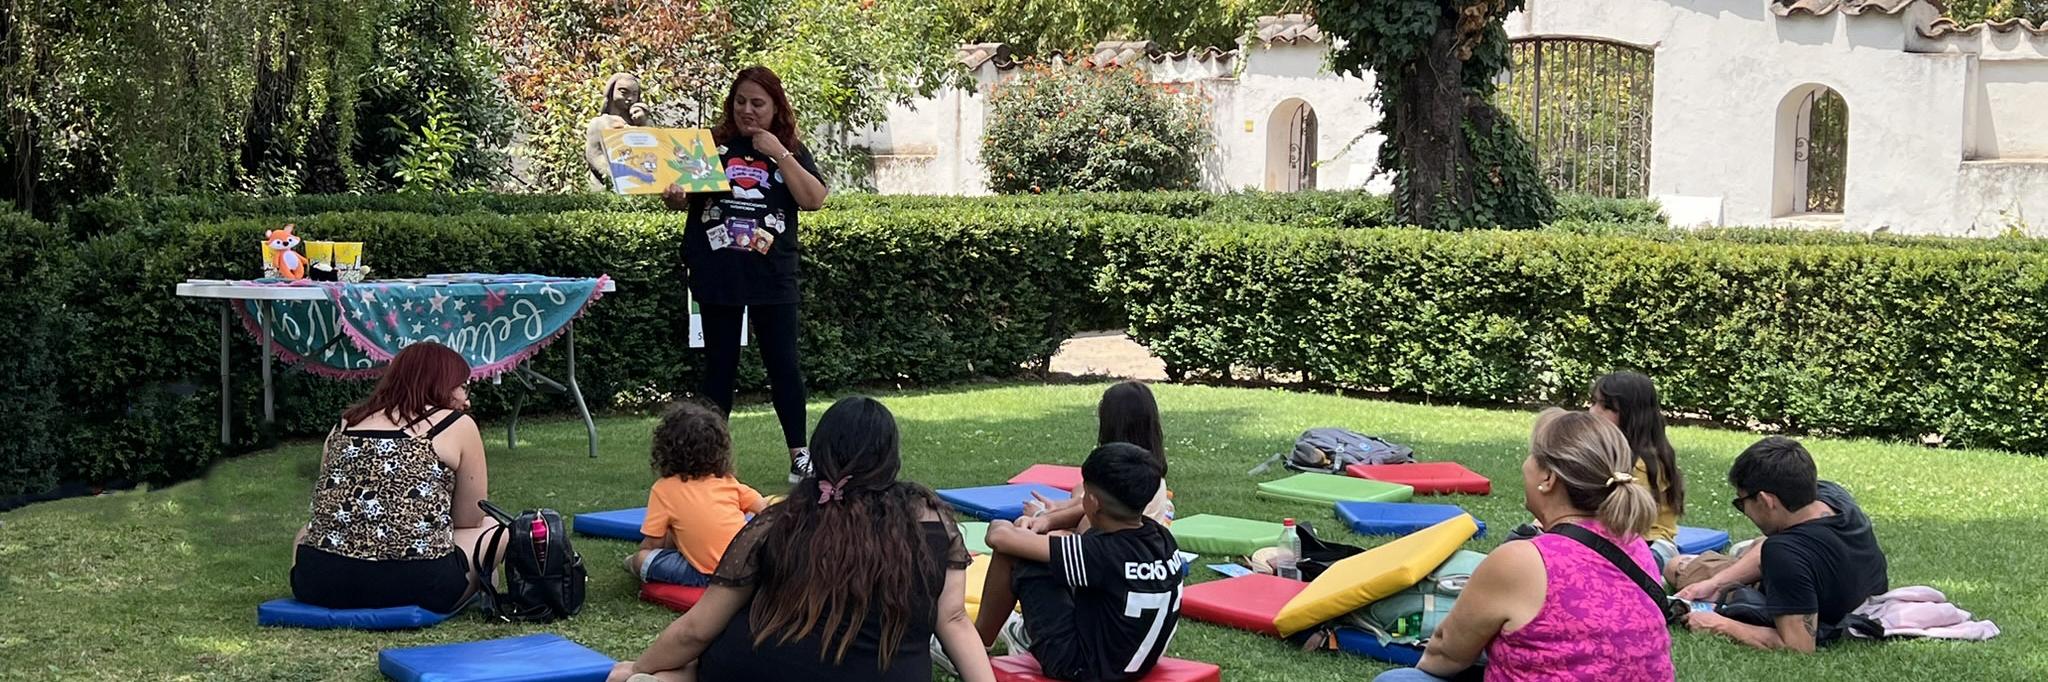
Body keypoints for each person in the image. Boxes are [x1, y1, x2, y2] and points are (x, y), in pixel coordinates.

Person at [608, 396, 993, 682]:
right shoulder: (930, 520)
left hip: (762, 670)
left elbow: (697, 630)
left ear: (820, 451)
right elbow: (955, 620)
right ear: (890, 458)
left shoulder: (779, 522)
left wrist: (637, 668)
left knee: (682, 669)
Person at [1374, 409, 1673, 682]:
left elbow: (1446, 655)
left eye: (1531, 456)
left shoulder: (1523, 560)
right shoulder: (1635, 546)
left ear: (1548, 478)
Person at [662, 66, 829, 484]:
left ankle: (799, 456)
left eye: (758, 103)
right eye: (740, 102)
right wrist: (675, 197)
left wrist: (779, 153)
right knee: (719, 367)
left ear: (776, 108)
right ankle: (708, 463)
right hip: (718, 271)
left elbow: (814, 200)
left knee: (783, 365)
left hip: (773, 274)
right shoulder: (712, 147)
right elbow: (682, 201)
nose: (747, 111)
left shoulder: (788, 148)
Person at [290, 342, 503, 614]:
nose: (467, 400)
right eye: (463, 387)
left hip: (318, 583)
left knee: (304, 533)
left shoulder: (346, 423)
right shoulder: (456, 424)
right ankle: (481, 580)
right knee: (494, 527)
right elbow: (469, 519)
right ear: (441, 384)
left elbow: (328, 505)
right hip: (418, 586)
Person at [965, 443, 1183, 682]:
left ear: (1092, 500)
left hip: (1079, 667)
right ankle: (1022, 635)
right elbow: (1082, 517)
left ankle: (974, 648)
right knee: (1048, 550)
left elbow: (999, 538)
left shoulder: (1100, 552)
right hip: (1131, 661)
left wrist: (1016, 526)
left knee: (1017, 554)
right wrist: (1045, 522)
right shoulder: (1160, 537)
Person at [1679, 436, 1888, 652]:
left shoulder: (1785, 553)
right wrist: (1715, 584)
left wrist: (1720, 625)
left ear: (1766, 500)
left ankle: (1742, 552)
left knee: (1677, 566)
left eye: (1742, 503)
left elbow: (1799, 646)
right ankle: (1746, 551)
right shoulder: (1832, 495)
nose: (1744, 511)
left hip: (1796, 592)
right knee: (1757, 550)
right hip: (1851, 591)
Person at [628, 401, 770, 587]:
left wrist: (639, 558)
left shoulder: (664, 489)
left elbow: (653, 544)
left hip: (708, 577)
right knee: (674, 531)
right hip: (745, 569)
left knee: (639, 559)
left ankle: (631, 563)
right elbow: (766, 510)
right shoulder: (728, 482)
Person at [1019, 381, 1174, 533]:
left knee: (1022, 532)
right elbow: (1085, 501)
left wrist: (1041, 517)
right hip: (1121, 541)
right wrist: (1060, 509)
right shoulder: (1149, 474)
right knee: (1080, 489)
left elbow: (1084, 531)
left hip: (1114, 550)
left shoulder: (1120, 484)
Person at [1588, 371, 1685, 568]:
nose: (1593, 412)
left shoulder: (1645, 463)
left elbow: (1625, 521)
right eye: (1593, 402)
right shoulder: (1605, 451)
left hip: (1651, 544)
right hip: (1614, 539)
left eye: (1606, 407)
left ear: (1632, 415)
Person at [586, 72, 651, 185]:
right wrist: (617, 175)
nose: (630, 98)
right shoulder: (599, 123)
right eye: (624, 92)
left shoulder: (640, 122)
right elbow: (594, 156)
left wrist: (645, 123)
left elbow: (654, 149)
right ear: (611, 92)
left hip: (641, 184)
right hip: (608, 184)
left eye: (634, 94)